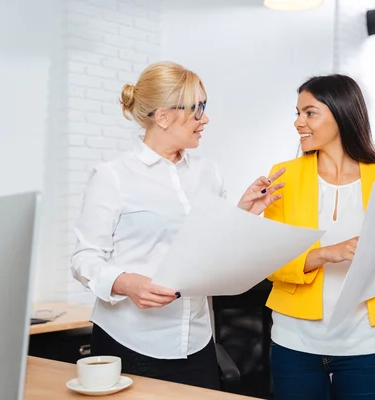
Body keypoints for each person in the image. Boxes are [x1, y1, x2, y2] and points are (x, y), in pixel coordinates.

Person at [70, 61, 285, 390]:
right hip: (130, 343)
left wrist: (244, 212)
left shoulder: (208, 172)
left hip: (197, 342)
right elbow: (85, 257)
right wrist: (126, 283)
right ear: (163, 116)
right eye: (198, 108)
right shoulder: (112, 176)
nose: (206, 119)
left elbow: (210, 248)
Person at [263, 74, 375, 400]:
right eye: (297, 113)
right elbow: (271, 262)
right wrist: (328, 253)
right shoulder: (283, 176)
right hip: (296, 342)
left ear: (341, 114)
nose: (298, 122)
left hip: (366, 343)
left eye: (309, 113)